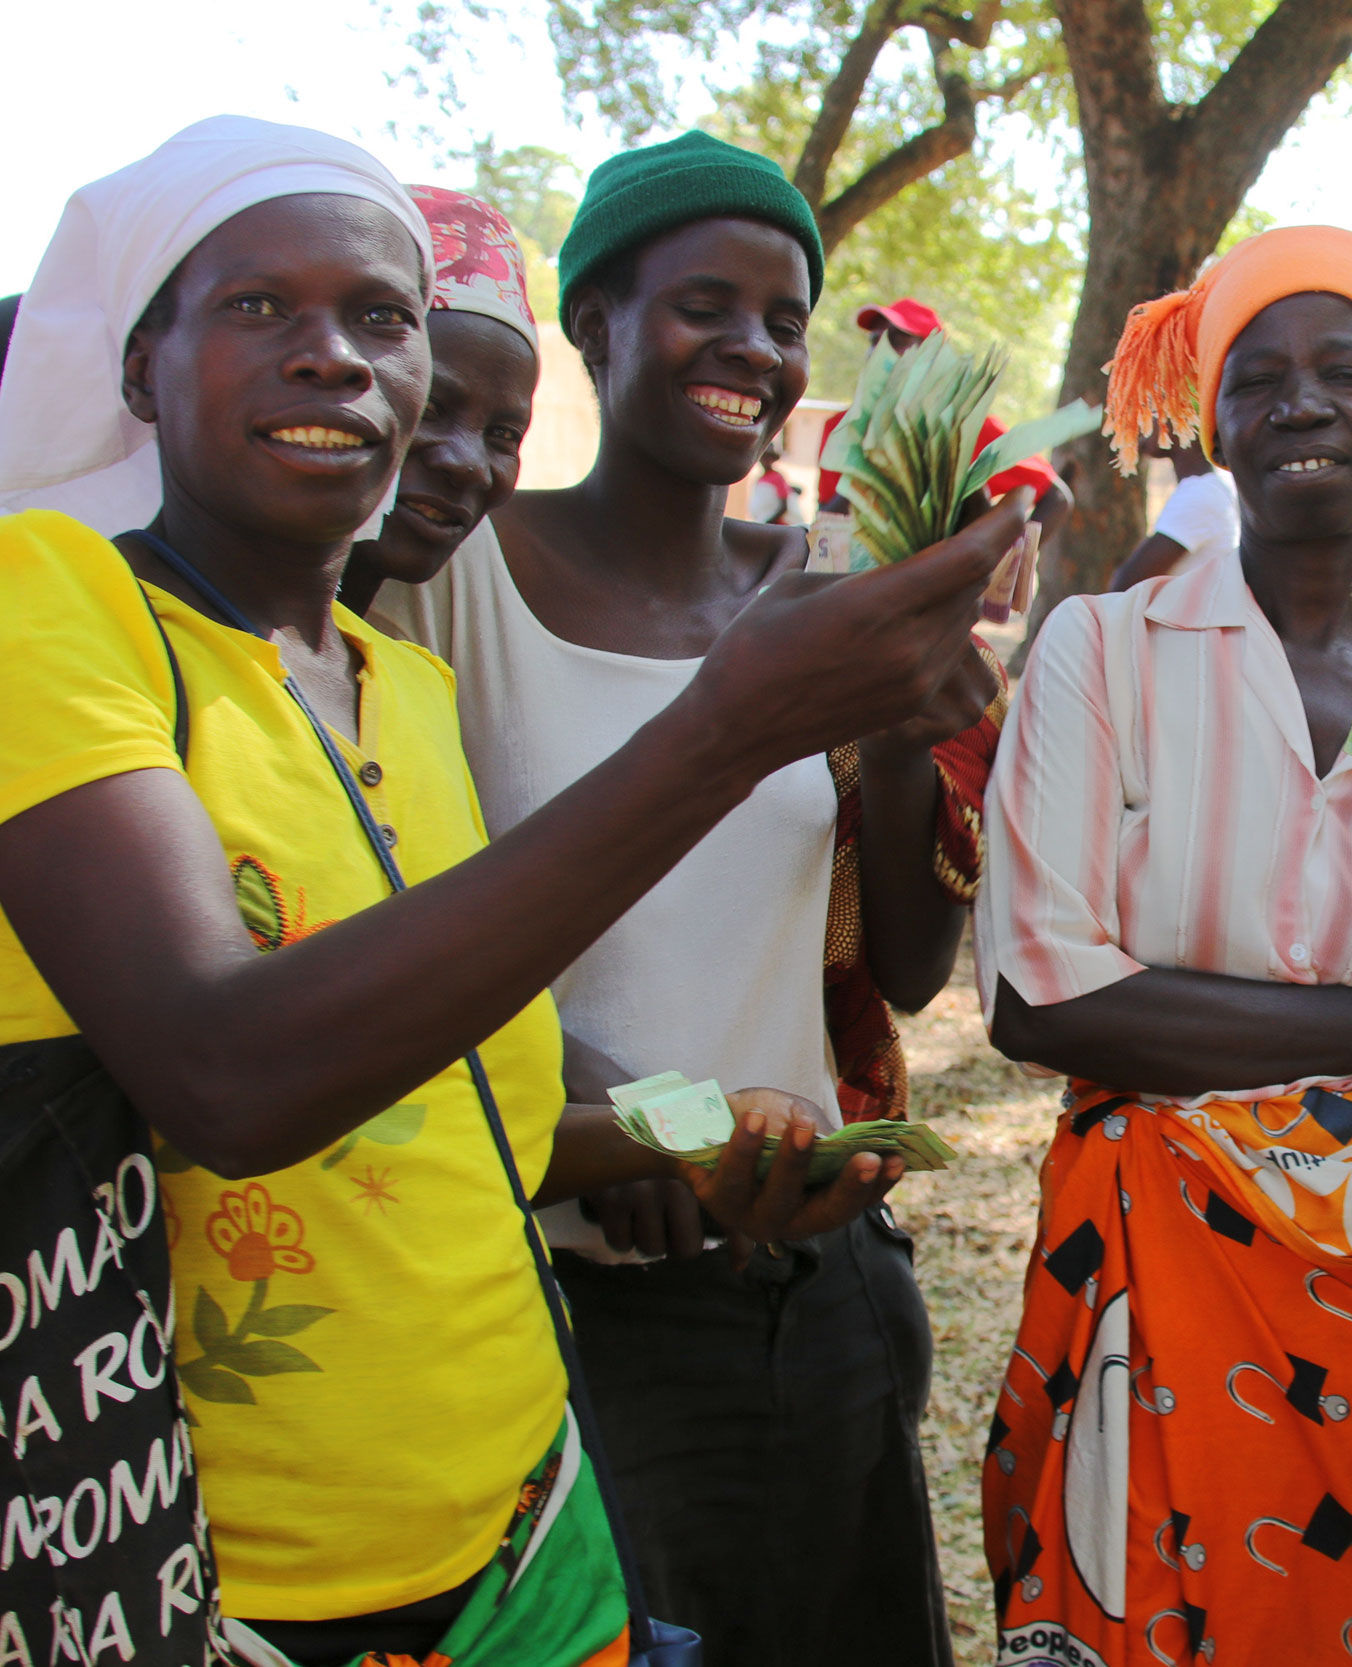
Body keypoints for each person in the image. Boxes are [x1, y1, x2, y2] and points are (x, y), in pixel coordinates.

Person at [0, 115, 1017, 1666]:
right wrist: (727, 723)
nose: (337, 358)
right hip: (247, 1561)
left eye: (380, 319)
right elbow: (231, 1068)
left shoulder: (396, 685)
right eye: (258, 307)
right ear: (142, 370)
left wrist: (732, 1132)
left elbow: (492, 1091)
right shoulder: (53, 603)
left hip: (527, 1511)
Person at [373, 130, 995, 1667]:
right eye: (700, 304)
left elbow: (906, 971)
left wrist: (913, 736)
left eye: (785, 320)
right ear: (592, 325)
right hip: (589, 1299)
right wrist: (635, 1114)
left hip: (816, 1275)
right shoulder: (455, 573)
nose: (755, 350)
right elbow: (396, 921)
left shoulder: (818, 588)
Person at [975, 224, 1352, 1667]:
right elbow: (1044, 996)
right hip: (1157, 1271)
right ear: (1214, 422)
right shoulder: (1102, 649)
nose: (1303, 402)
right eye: (1261, 377)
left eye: (1346, 370)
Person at [339, 187, 540, 616]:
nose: (468, 464)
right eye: (431, 408)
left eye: (503, 434)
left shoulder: (410, 675)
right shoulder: (173, 644)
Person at [814, 296, 1072, 553]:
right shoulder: (841, 427)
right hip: (859, 586)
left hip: (943, 588)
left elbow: (1056, 497)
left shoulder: (964, 425)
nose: (880, 351)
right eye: (874, 341)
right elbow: (825, 522)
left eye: (897, 340)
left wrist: (1008, 564)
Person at [1109, 431, 1237, 588]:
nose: (1140, 425)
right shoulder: (1207, 488)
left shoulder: (1199, 494)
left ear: (1180, 414)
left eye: (1152, 410)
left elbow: (1126, 585)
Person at [747, 438, 798, 526]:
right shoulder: (759, 479)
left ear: (773, 460)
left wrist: (768, 522)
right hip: (762, 522)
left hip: (776, 525)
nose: (766, 460)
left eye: (769, 458)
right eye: (764, 457)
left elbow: (784, 506)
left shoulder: (777, 477)